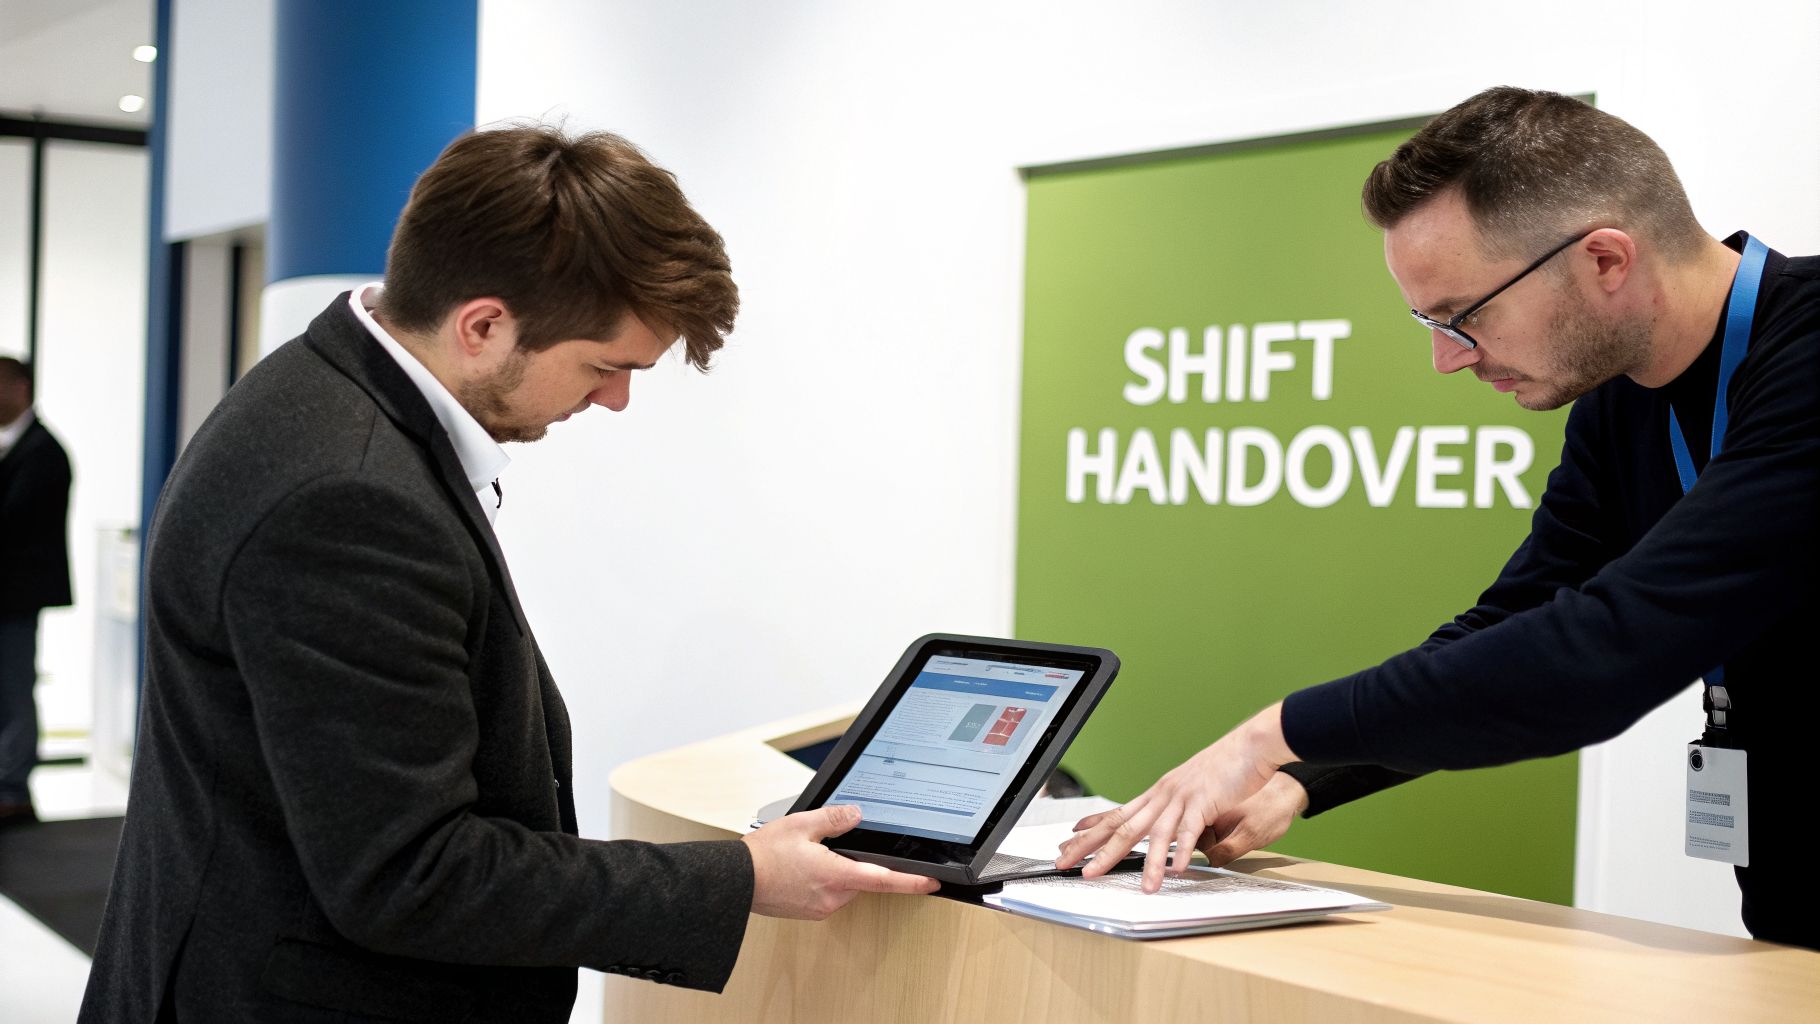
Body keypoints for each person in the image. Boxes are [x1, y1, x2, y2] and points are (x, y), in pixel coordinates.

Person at [80, 124, 937, 1023]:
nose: (615, 399)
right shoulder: (349, 494)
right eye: (604, 366)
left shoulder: (318, 392)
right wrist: (743, 878)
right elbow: (411, 874)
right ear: (484, 325)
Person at [1057, 86, 1820, 951]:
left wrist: (1271, 734)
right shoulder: (1621, 403)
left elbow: (1605, 653)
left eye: (1463, 317)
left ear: (1605, 259)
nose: (1445, 358)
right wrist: (1299, 776)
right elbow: (1518, 621)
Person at [0, 356, 73, 827]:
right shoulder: (14, 446)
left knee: (13, 690)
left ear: (21, 388)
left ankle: (11, 789)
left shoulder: (44, 450)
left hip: (15, 597)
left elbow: (14, 522)